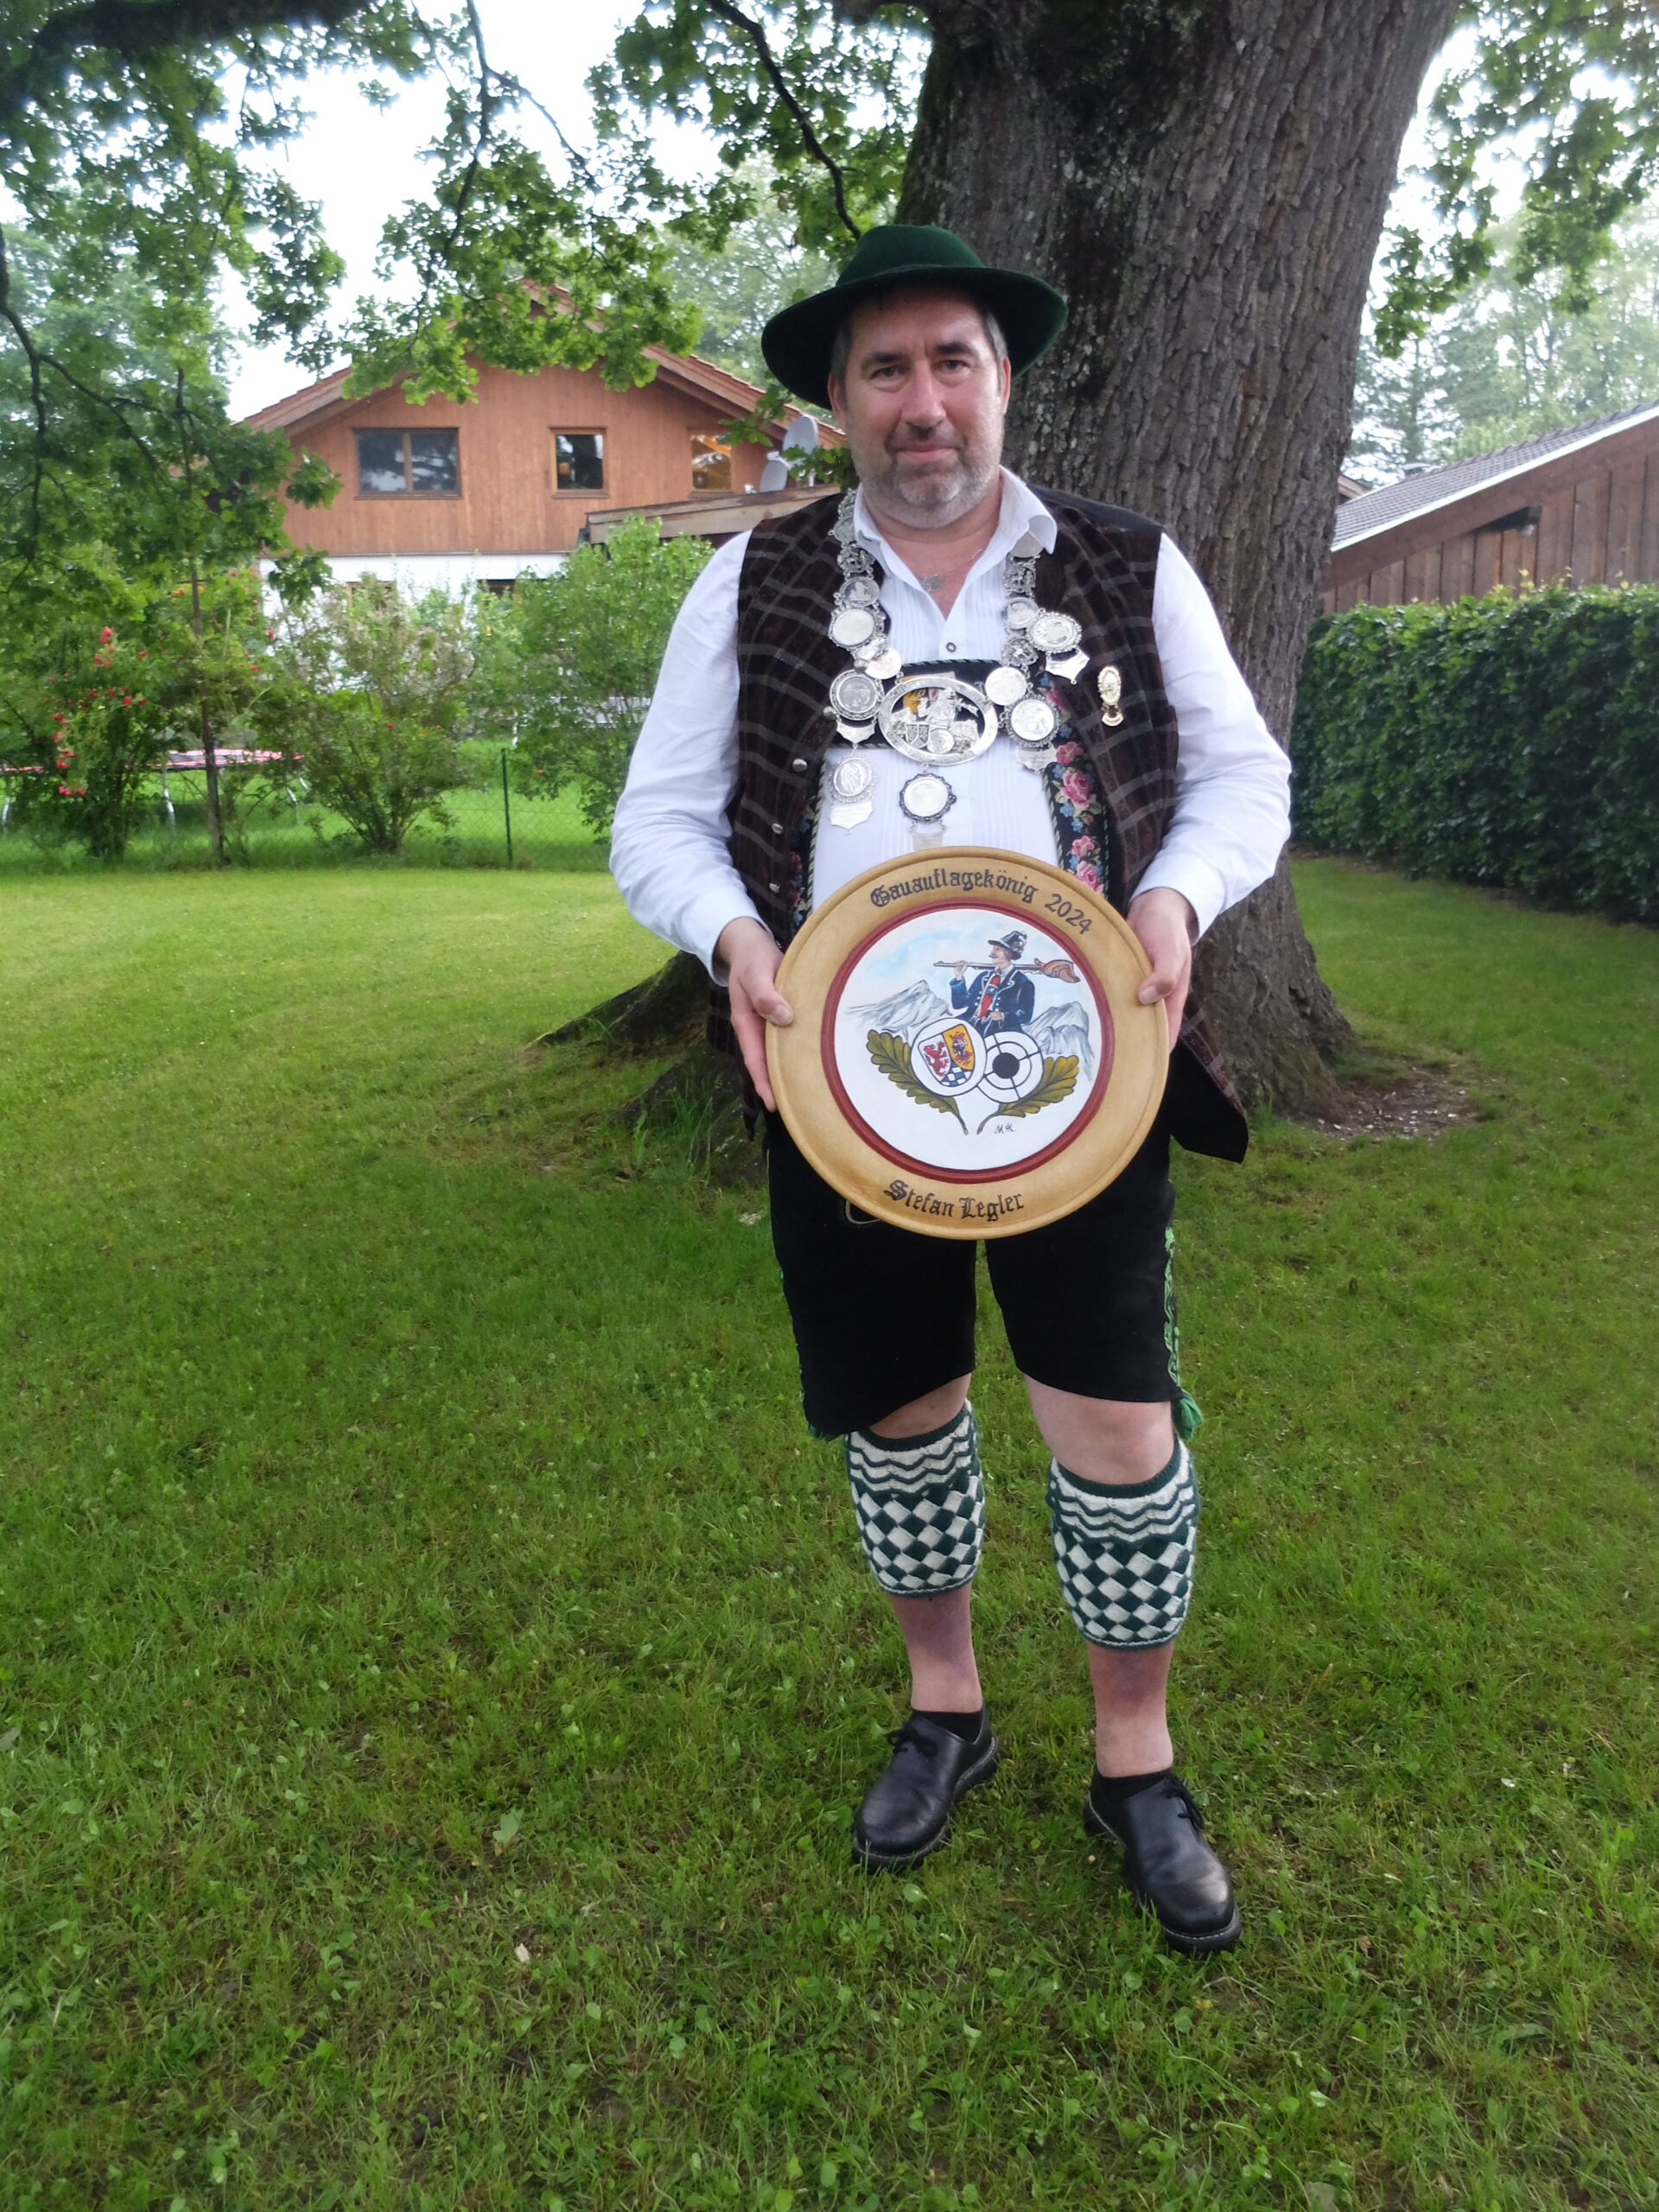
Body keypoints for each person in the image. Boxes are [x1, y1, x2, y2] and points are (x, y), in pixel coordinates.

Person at [612, 225, 1291, 1955]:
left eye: (953, 362)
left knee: (1119, 1431)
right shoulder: (749, 582)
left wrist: (1175, 898)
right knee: (900, 1410)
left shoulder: (1130, 563)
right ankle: (948, 1709)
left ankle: (1137, 1762)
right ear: (839, 404)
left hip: (1085, 1081)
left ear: (1005, 380)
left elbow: (1244, 779)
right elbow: (660, 823)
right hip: (843, 1087)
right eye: (886, 370)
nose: (924, 401)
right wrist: (729, 937)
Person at [950, 931, 1035, 1037]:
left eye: (997, 949)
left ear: (1009, 953)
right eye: (993, 949)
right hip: (970, 1025)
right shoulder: (984, 977)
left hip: (1000, 1031)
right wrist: (959, 976)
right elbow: (959, 1004)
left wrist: (1004, 1016)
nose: (992, 952)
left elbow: (1026, 1016)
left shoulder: (1023, 982)